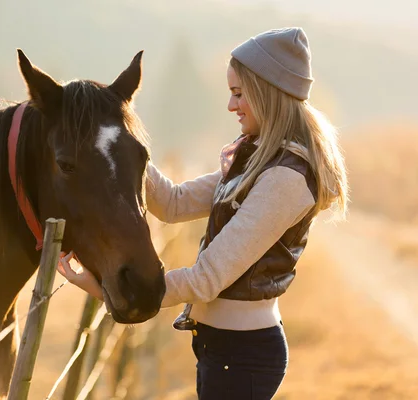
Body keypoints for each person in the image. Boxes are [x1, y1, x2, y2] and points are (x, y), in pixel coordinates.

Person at [57, 27, 348, 399]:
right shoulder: (256, 160)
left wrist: (107, 291)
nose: (231, 106)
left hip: (242, 358)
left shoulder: (285, 179)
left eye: (239, 94)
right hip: (222, 349)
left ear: (268, 94)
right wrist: (119, 146)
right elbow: (173, 203)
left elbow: (207, 278)